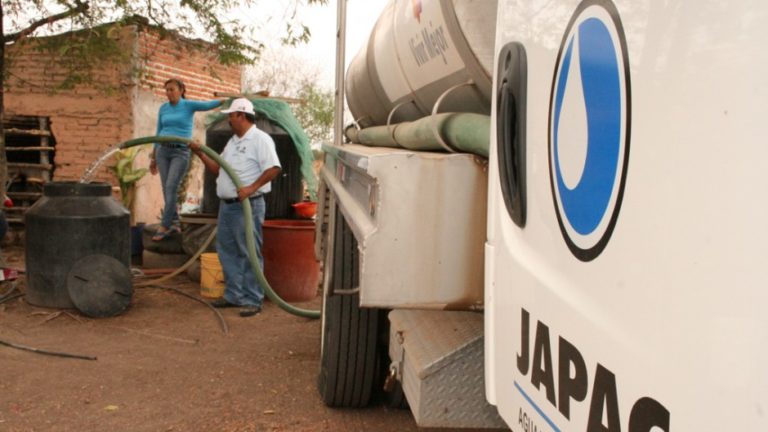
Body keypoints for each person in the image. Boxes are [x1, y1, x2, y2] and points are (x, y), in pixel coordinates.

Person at [188, 98, 281, 317]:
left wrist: (251, 188)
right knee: (227, 250)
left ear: (241, 115)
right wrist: (201, 153)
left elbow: (274, 168)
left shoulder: (260, 139)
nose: (229, 120)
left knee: (248, 251)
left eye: (231, 115)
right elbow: (218, 169)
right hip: (227, 206)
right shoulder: (232, 142)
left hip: (247, 205)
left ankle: (252, 298)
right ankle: (234, 295)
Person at [150, 78, 224, 241]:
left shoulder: (188, 105)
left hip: (180, 152)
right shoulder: (163, 108)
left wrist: (225, 100)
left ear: (181, 90)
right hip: (163, 151)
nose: (169, 93)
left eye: (172, 89)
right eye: (167, 90)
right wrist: (153, 157)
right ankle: (175, 223)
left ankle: (165, 225)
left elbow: (208, 105)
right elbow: (158, 131)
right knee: (166, 189)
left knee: (171, 186)